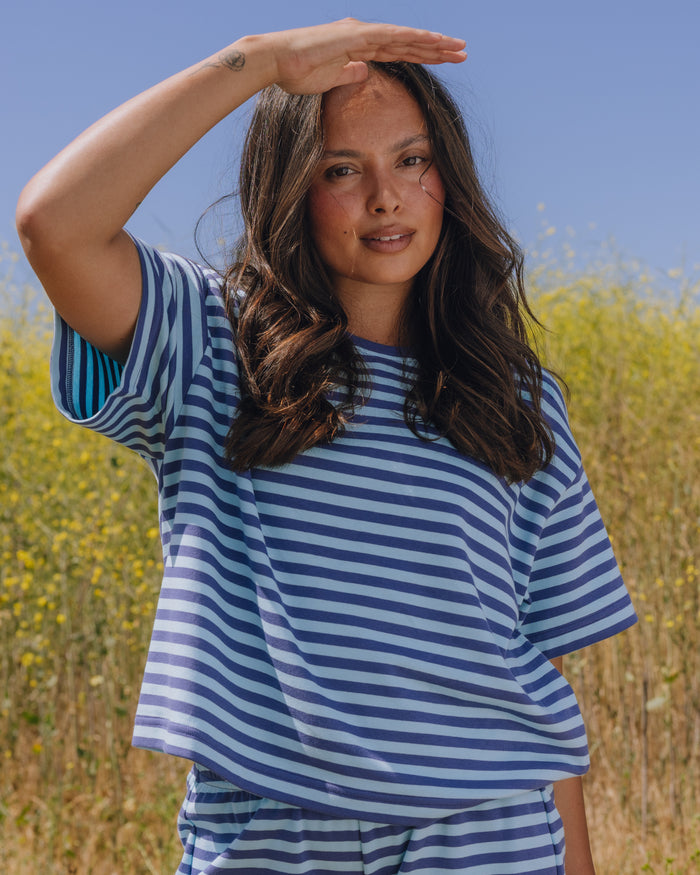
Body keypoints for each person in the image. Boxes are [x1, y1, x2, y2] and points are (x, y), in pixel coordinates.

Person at [16, 18, 636, 875]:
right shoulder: (207, 345)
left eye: (412, 161)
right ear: (289, 188)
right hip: (271, 841)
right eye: (342, 169)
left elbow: (537, 671)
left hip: (490, 839)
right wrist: (259, 63)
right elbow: (56, 224)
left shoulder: (520, 399)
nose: (386, 196)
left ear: (447, 177)